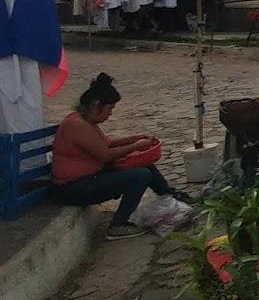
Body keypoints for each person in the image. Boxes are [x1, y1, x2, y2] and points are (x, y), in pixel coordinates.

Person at [52, 73, 188, 239]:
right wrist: (136, 146)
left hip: (90, 177)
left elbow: (107, 144)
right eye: (109, 109)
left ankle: (169, 195)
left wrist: (135, 138)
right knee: (140, 175)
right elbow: (105, 155)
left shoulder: (86, 122)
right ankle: (119, 224)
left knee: (143, 164)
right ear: (96, 105)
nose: (110, 114)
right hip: (75, 187)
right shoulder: (76, 124)